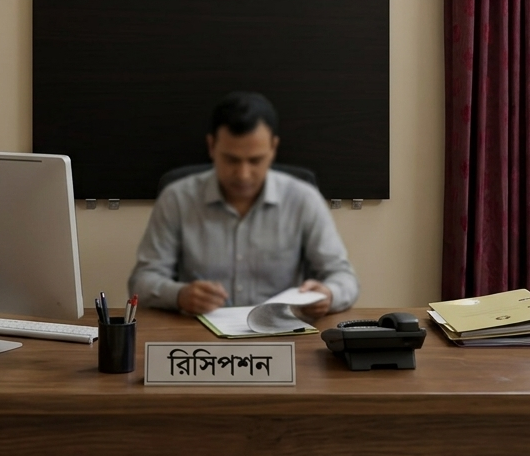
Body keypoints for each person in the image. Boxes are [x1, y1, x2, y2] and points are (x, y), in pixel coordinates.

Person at [128, 91, 359, 318]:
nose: (243, 174)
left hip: (281, 338)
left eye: (255, 160)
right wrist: (179, 295)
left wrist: (329, 294)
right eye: (231, 159)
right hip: (199, 342)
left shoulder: (303, 199)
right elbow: (142, 280)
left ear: (273, 148)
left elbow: (343, 277)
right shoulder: (177, 199)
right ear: (211, 147)